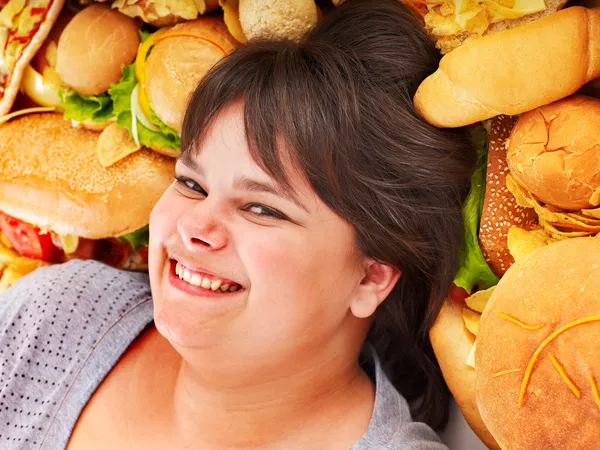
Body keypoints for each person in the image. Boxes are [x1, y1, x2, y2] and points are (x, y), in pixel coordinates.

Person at [0, 0, 475, 448]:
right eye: (191, 184)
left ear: (371, 277)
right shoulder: (55, 312)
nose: (195, 226)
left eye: (262, 209)